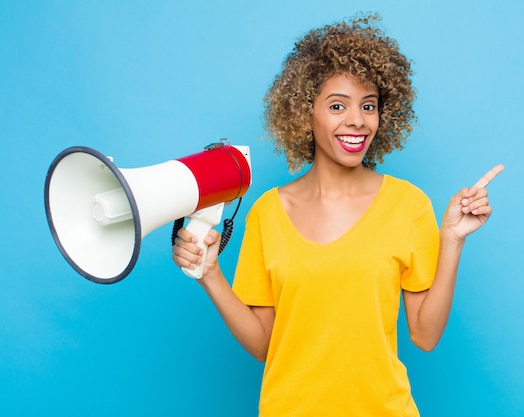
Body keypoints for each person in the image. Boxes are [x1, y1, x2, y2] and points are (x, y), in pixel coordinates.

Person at [172, 14, 504, 417]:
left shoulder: (409, 205)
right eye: (336, 105)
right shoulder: (268, 213)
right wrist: (210, 276)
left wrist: (452, 240)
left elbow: (425, 336)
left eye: (369, 106)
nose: (357, 121)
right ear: (304, 113)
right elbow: (263, 344)